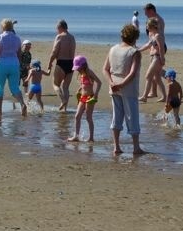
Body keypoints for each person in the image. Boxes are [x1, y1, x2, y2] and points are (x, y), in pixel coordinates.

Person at [103, 24, 144, 155]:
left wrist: (111, 83)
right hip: (128, 88)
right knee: (132, 117)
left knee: (116, 117)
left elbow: (105, 69)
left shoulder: (113, 49)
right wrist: (120, 85)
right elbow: (132, 74)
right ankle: (136, 147)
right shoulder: (134, 52)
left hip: (114, 85)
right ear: (135, 38)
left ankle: (116, 146)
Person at [0, 18, 27, 116]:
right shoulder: (17, 39)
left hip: (2, 64)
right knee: (15, 88)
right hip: (14, 64)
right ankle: (22, 104)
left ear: (2, 27)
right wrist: (19, 65)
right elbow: (19, 54)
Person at [68, 55, 102, 142]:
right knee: (77, 116)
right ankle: (76, 136)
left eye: (78, 67)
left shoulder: (89, 72)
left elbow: (99, 82)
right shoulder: (82, 73)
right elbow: (84, 84)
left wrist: (96, 94)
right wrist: (79, 89)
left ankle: (91, 138)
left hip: (90, 97)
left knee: (88, 117)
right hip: (82, 97)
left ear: (83, 65)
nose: (77, 69)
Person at [47, 20, 77, 111]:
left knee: (56, 84)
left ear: (60, 27)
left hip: (61, 62)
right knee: (65, 87)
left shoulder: (59, 37)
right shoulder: (72, 37)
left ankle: (63, 100)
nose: (57, 30)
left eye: (57, 28)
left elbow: (54, 52)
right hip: (71, 64)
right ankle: (65, 109)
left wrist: (50, 63)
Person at [138, 17, 167, 102]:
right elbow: (148, 45)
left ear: (152, 26)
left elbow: (161, 49)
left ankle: (144, 97)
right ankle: (164, 97)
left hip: (157, 58)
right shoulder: (153, 35)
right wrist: (138, 50)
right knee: (157, 78)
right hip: (153, 57)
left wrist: (162, 60)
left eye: (148, 26)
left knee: (148, 76)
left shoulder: (158, 35)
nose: (146, 27)